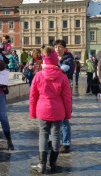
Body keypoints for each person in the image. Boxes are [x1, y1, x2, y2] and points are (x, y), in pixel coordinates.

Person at [29, 46, 72, 174]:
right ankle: (53, 163)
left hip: (42, 109)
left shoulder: (39, 75)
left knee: (43, 134)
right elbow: (67, 98)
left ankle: (41, 164)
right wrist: (68, 113)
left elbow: (32, 96)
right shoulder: (63, 76)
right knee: (56, 135)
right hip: (58, 110)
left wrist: (32, 112)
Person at [54, 39, 74, 153]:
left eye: (60, 46)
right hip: (53, 90)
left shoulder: (69, 59)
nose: (58, 49)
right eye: (56, 47)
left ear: (64, 48)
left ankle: (66, 142)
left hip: (65, 90)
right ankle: (52, 140)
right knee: (52, 114)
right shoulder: (51, 58)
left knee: (65, 116)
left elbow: (68, 72)